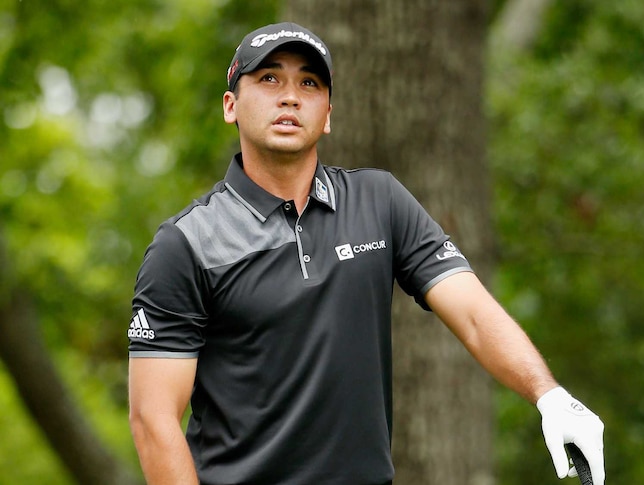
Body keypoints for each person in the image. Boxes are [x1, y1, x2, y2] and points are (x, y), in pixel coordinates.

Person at [127, 21, 605, 485]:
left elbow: (476, 315)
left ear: (328, 114)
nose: (290, 95)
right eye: (269, 77)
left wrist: (549, 395)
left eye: (309, 83)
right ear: (231, 105)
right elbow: (153, 421)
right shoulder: (187, 244)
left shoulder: (380, 201)